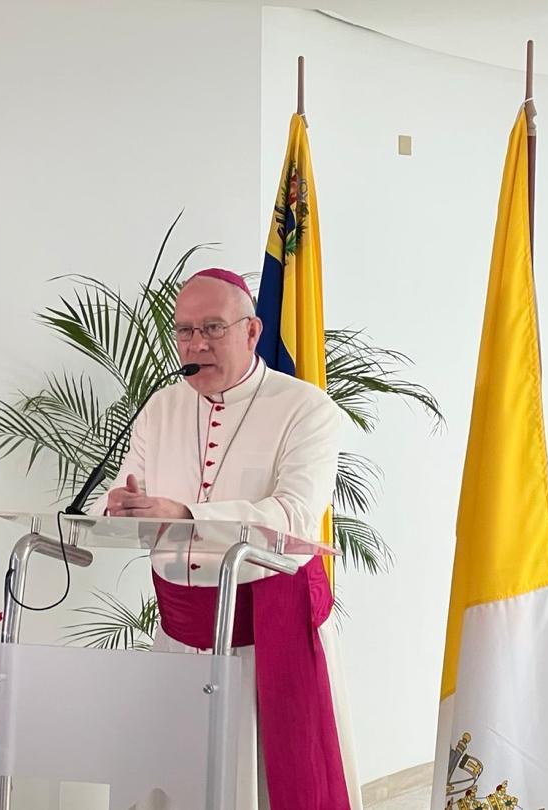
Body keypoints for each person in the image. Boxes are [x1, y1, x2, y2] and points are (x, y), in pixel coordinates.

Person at [97, 268, 361, 810]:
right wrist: (118, 505)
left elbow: (295, 514)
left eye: (212, 328)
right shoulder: (161, 407)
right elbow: (130, 488)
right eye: (184, 330)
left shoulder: (307, 409)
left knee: (266, 783)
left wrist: (188, 512)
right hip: (180, 633)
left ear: (251, 331)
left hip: (267, 627)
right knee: (178, 780)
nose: (195, 344)